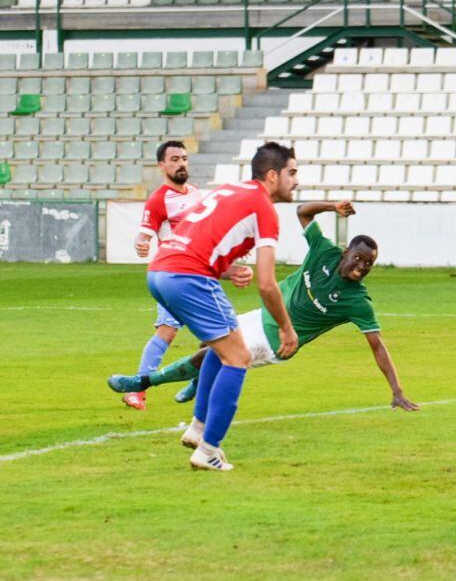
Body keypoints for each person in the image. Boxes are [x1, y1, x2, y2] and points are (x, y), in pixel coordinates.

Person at [108, 200, 420, 417]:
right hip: (265, 316)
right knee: (208, 341)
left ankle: (143, 382)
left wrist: (397, 390)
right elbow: (302, 212)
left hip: (277, 341)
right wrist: (332, 207)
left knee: (209, 354)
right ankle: (194, 382)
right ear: (346, 252)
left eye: (369, 264)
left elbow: (377, 346)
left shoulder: (358, 301)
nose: (362, 266)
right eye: (359, 258)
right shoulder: (324, 251)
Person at [146, 141, 299, 471]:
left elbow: (196, 234)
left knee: (225, 347)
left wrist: (225, 269)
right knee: (239, 357)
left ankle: (197, 429)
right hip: (187, 276)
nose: (296, 181)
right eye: (292, 172)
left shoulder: (229, 191)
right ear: (273, 175)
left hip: (160, 270)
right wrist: (286, 327)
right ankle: (209, 450)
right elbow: (267, 284)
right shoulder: (264, 209)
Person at [122, 141, 211, 411]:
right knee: (167, 332)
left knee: (212, 335)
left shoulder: (196, 194)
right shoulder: (159, 199)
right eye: (174, 159)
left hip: (201, 272)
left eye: (184, 158)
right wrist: (141, 243)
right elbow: (145, 232)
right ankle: (136, 388)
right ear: (162, 166)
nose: (181, 163)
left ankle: (196, 384)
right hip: (173, 274)